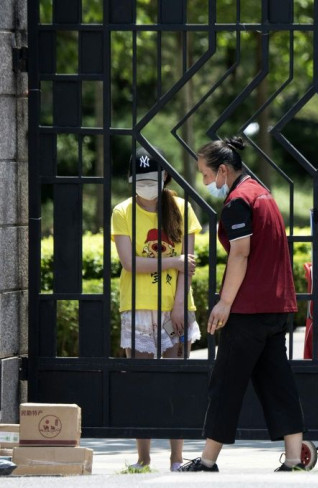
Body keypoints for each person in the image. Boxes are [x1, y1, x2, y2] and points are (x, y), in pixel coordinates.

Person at [178, 137, 305, 473]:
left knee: (226, 383)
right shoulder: (264, 194)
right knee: (277, 381)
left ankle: (207, 461)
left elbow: (240, 252)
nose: (205, 182)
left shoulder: (238, 201)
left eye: (206, 175)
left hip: (248, 309)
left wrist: (224, 302)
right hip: (276, 307)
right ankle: (294, 459)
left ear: (223, 170)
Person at [111, 147, 201, 472]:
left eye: (152, 179)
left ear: (164, 177)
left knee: (175, 384)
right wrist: (173, 261)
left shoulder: (182, 209)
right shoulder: (122, 212)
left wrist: (179, 304)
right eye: (140, 180)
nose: (146, 185)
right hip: (136, 308)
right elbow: (129, 262)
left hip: (175, 308)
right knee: (141, 384)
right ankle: (143, 458)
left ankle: (177, 458)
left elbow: (187, 268)